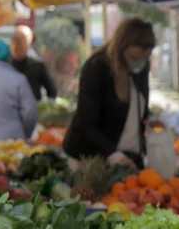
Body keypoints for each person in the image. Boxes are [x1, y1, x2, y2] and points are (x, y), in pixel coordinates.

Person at [63, 18, 156, 169]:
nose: (139, 63)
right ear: (122, 46)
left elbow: (135, 106)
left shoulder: (141, 68)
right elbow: (85, 122)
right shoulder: (97, 68)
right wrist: (115, 156)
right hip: (92, 158)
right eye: (134, 58)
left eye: (144, 58)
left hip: (129, 155)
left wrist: (149, 119)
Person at [10, 25, 57, 102]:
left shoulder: (37, 66)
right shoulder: (4, 65)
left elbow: (52, 91)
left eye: (22, 40)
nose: (19, 44)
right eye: (17, 39)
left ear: (29, 42)